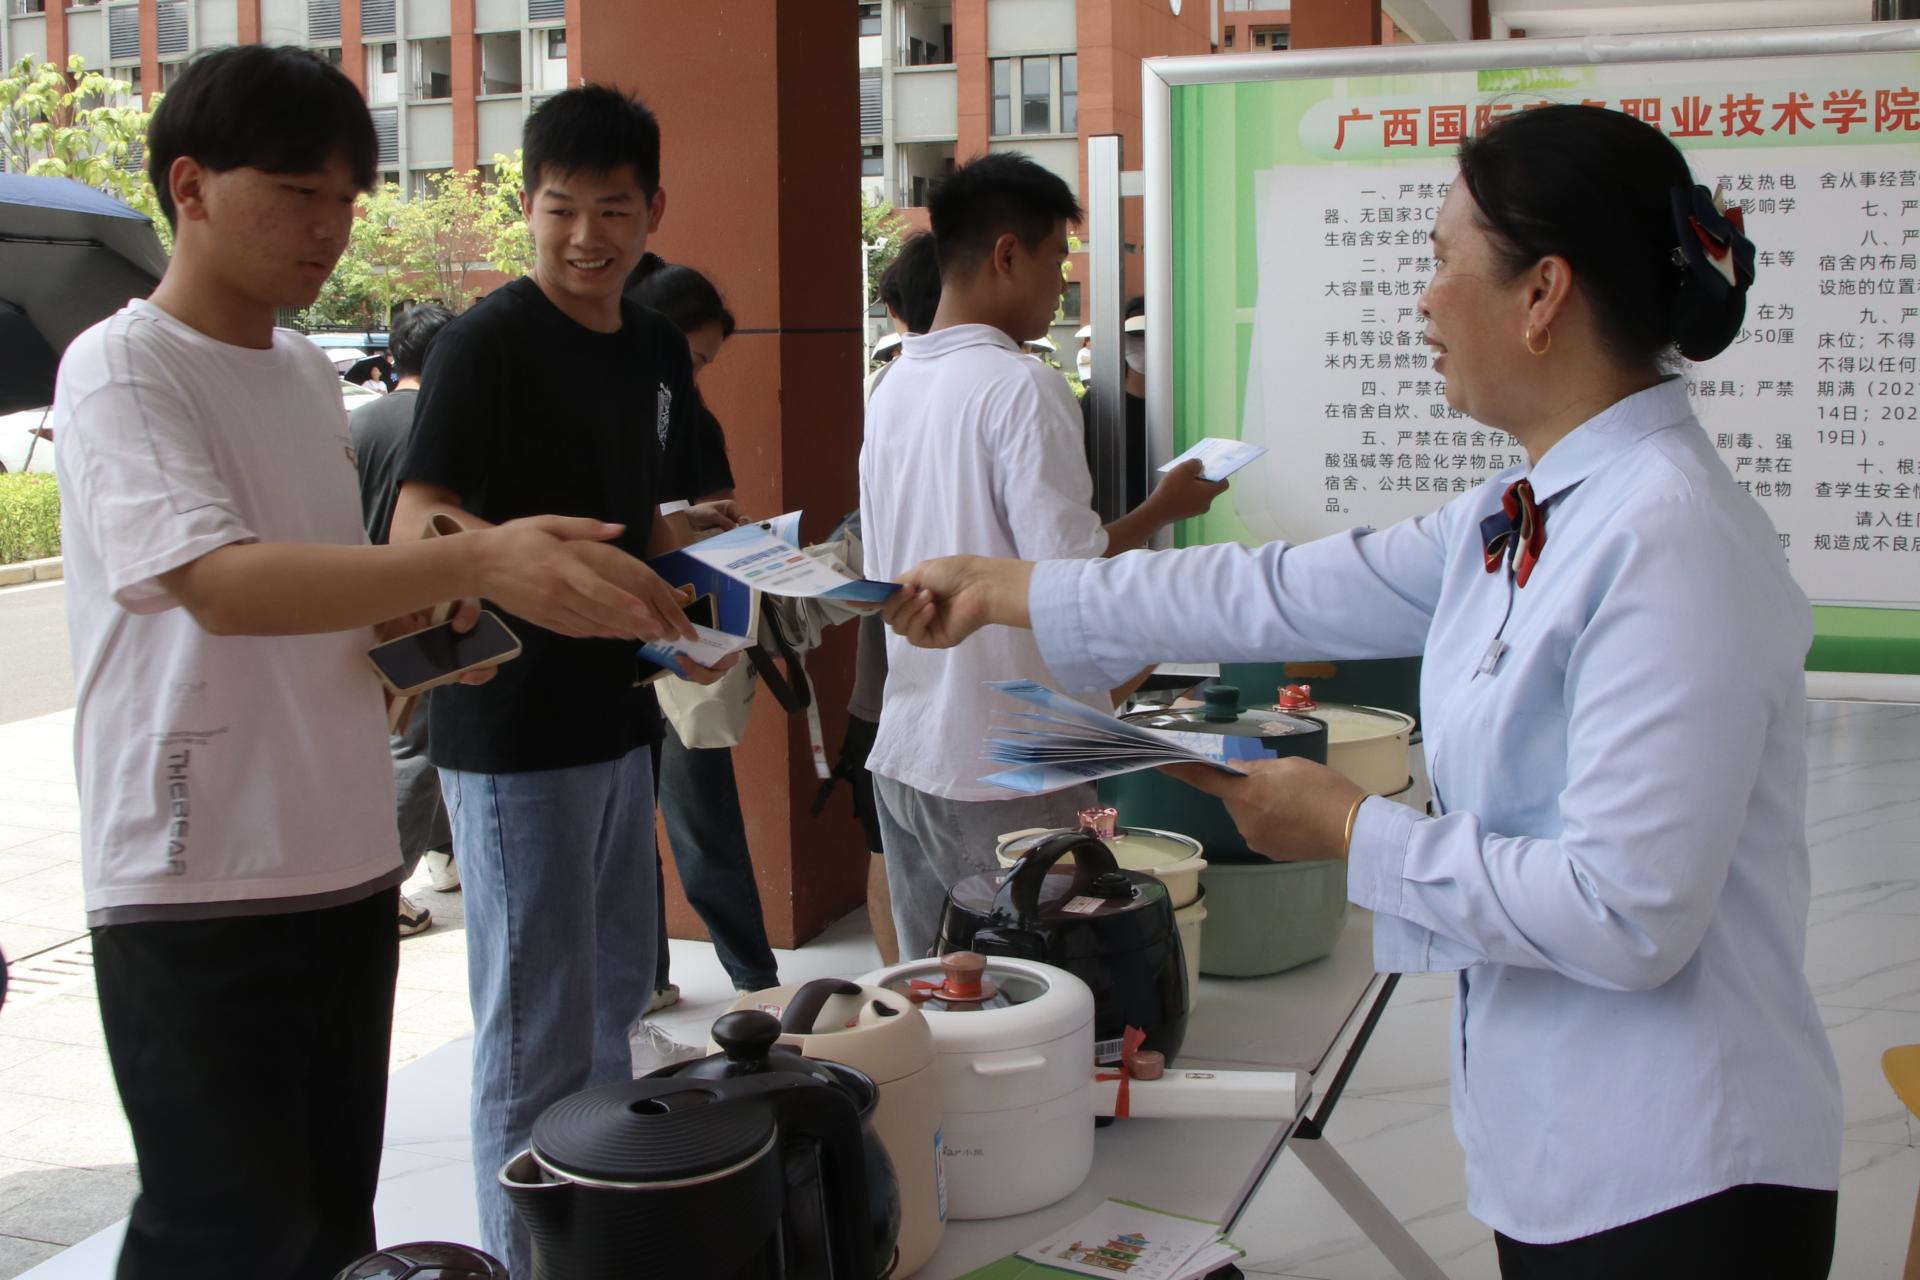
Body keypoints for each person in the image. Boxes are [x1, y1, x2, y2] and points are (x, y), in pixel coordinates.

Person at [881, 105, 1843, 1277]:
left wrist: (1350, 828)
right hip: (1571, 1143)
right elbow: (1282, 588)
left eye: (1443, 261)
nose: (1423, 301)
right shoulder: (1530, 509)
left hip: (1686, 1175)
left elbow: (1626, 909)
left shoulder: (1672, 539)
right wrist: (1013, 588)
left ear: (1543, 294)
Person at [54, 46, 694, 1280]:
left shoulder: (303, 375)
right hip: (198, 861)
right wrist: (485, 557)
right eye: (299, 192)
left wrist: (423, 644)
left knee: (330, 1221)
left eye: (347, 198)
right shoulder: (124, 364)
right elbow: (218, 584)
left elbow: (332, 595)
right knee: (222, 1227)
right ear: (188, 184)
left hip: (345, 850)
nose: (330, 227)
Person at [390, 85, 731, 1278]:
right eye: (560, 209)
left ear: (653, 212)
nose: (587, 236)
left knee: (609, 1014)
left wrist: (723, 557)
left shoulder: (653, 345)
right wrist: (514, 554)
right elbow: (418, 520)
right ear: (527, 206)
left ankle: (598, 1246)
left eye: (614, 211)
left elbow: (640, 521)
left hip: (619, 716)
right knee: (532, 1034)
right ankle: (518, 1259)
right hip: (510, 731)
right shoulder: (485, 342)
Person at [858, 152, 1226, 961]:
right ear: (1006, 255)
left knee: (944, 991)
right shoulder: (1021, 385)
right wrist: (1166, 567)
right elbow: (1069, 582)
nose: (1061, 284)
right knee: (1041, 991)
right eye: (1058, 259)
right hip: (1014, 760)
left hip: (913, 745)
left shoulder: (892, 389)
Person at [625, 253, 781, 1001]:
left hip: (682, 638)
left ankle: (755, 980)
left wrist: (705, 526)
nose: (692, 375)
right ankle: (646, 979)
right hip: (604, 640)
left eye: (703, 364)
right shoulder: (599, 409)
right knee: (623, 827)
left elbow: (721, 519)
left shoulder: (692, 418)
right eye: (690, 357)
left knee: (700, 817)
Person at [349, 302, 459, 937]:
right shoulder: (443, 422)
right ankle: (383, 891)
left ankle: (444, 856)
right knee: (415, 747)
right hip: (427, 605)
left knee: (411, 738)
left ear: (394, 357)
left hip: (363, 599)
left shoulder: (359, 421)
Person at [1079, 297, 1150, 512]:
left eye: (1147, 334)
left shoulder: (1179, 402)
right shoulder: (1100, 402)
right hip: (1115, 517)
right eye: (1135, 335)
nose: (1142, 343)